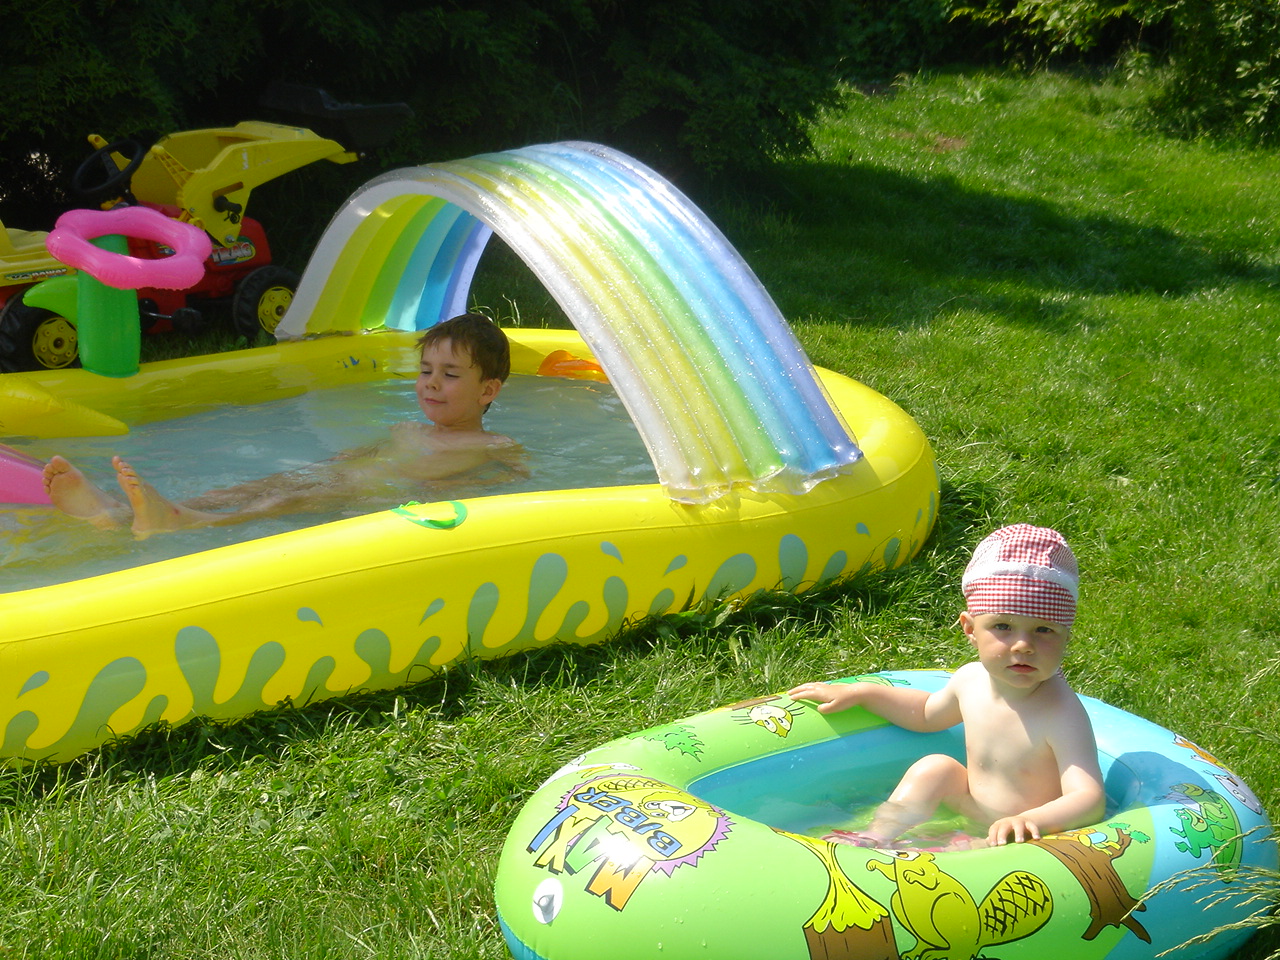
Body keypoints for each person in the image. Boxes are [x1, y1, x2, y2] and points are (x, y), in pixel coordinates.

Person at [42, 313, 525, 539]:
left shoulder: (496, 442)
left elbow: (515, 484)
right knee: (253, 487)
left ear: (488, 390)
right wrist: (331, 464)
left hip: (371, 494)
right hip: (342, 477)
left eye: (450, 375)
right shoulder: (406, 428)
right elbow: (363, 453)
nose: (431, 383)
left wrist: (454, 492)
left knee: (278, 501)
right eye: (425, 371)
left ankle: (187, 521)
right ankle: (116, 513)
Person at [788, 523, 1106, 849]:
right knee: (935, 768)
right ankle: (876, 835)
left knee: (974, 843)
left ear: (1066, 636)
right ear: (970, 629)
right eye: (1003, 626)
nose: (1023, 645)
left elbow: (1088, 796)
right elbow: (926, 713)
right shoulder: (970, 680)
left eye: (1044, 630)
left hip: (1023, 835)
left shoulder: (1061, 713)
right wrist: (864, 693)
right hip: (974, 806)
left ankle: (952, 849)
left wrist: (1031, 821)